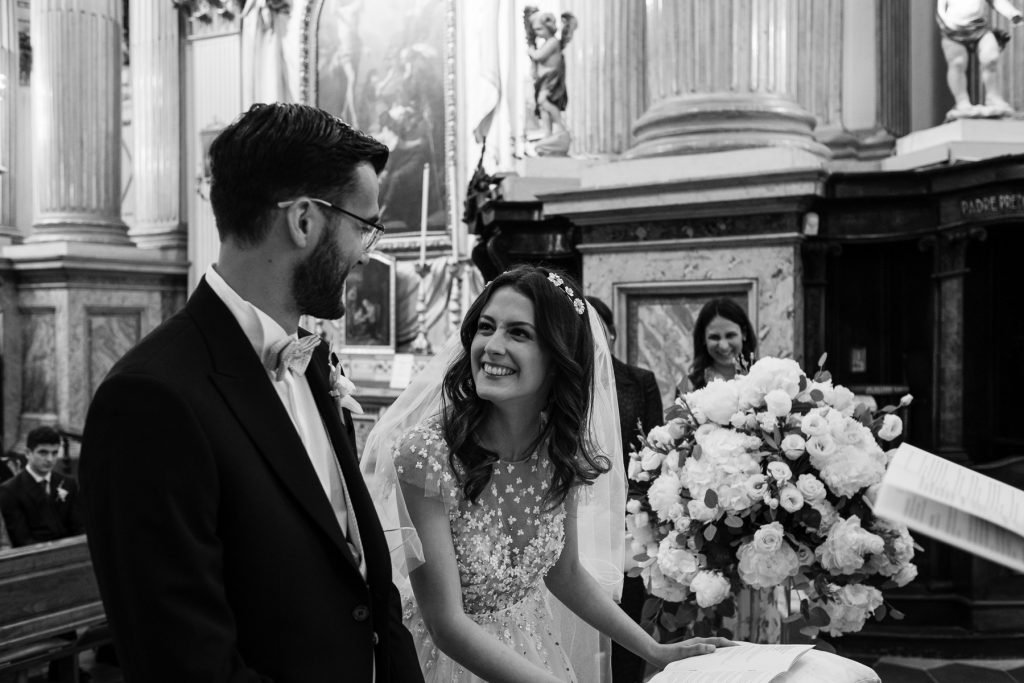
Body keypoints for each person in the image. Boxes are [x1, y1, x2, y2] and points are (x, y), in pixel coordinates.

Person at [79, 103, 423, 683]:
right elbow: (184, 664)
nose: (366, 253)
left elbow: (368, 588)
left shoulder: (313, 365)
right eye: (362, 227)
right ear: (304, 220)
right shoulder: (151, 399)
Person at [362, 265, 730, 683]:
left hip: (530, 649)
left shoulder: (558, 449)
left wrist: (656, 651)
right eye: (486, 327)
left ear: (558, 357)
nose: (492, 347)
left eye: (518, 333)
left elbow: (566, 573)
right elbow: (446, 623)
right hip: (442, 663)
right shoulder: (427, 455)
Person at [585, 296, 665, 683]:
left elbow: (653, 452)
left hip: (626, 517)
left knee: (628, 609)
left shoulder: (639, 381)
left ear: (612, 333)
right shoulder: (561, 381)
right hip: (580, 510)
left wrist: (630, 506)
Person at [936, 0, 1023, 120]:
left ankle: (993, 97)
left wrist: (1012, 13)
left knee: (991, 58)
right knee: (957, 64)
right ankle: (962, 101)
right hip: (953, 30)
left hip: (980, 27)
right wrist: (946, 23)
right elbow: (941, 9)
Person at [0, 426, 84, 548]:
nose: (50, 459)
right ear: (28, 453)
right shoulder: (10, 490)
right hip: (37, 555)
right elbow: (22, 539)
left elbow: (79, 527)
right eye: (43, 453)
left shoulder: (68, 483)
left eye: (54, 453)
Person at [524, 7, 578, 156]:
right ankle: (547, 134)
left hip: (551, 79)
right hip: (543, 80)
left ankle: (561, 126)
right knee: (543, 109)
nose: (537, 33)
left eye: (540, 29)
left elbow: (539, 55)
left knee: (544, 101)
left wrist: (531, 49)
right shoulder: (547, 42)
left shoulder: (553, 42)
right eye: (535, 30)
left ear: (548, 28)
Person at [678, 297, 758, 394]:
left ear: (744, 334)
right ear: (703, 338)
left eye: (730, 335)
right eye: (715, 337)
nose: (724, 346)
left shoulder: (763, 378)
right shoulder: (688, 387)